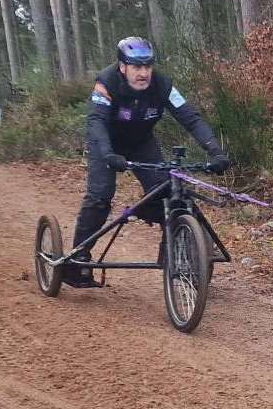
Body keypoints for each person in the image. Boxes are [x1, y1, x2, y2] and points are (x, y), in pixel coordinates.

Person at [66, 36, 229, 287]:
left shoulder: (162, 84)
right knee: (100, 196)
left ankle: (178, 252)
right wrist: (108, 154)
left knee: (166, 191)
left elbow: (191, 117)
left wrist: (216, 152)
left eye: (148, 66)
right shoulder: (106, 82)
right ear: (123, 66)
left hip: (141, 142)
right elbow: (96, 121)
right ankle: (78, 257)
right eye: (136, 67)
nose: (143, 73)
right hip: (106, 143)